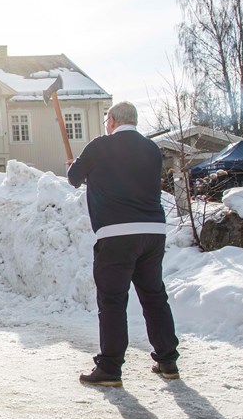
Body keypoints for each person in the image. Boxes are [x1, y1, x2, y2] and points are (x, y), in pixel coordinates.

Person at [66, 101, 180, 386]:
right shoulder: (152, 150)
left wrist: (75, 166)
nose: (106, 126)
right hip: (153, 231)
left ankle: (110, 368)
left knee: (113, 300)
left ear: (114, 120)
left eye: (107, 121)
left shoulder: (100, 146)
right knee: (154, 295)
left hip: (116, 233)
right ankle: (167, 360)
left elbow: (73, 178)